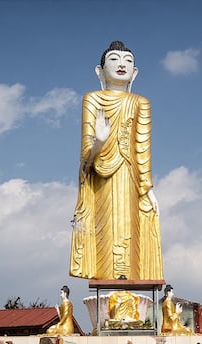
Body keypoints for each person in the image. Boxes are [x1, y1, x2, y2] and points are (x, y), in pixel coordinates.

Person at [70, 40, 163, 281]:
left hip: (130, 178)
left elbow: (142, 149)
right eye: (114, 59)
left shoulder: (140, 103)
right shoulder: (92, 99)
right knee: (105, 232)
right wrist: (99, 142)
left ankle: (129, 283)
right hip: (101, 179)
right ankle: (107, 281)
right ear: (99, 71)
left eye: (128, 61)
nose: (121, 64)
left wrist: (148, 189)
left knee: (130, 232)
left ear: (135, 72)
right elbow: (86, 159)